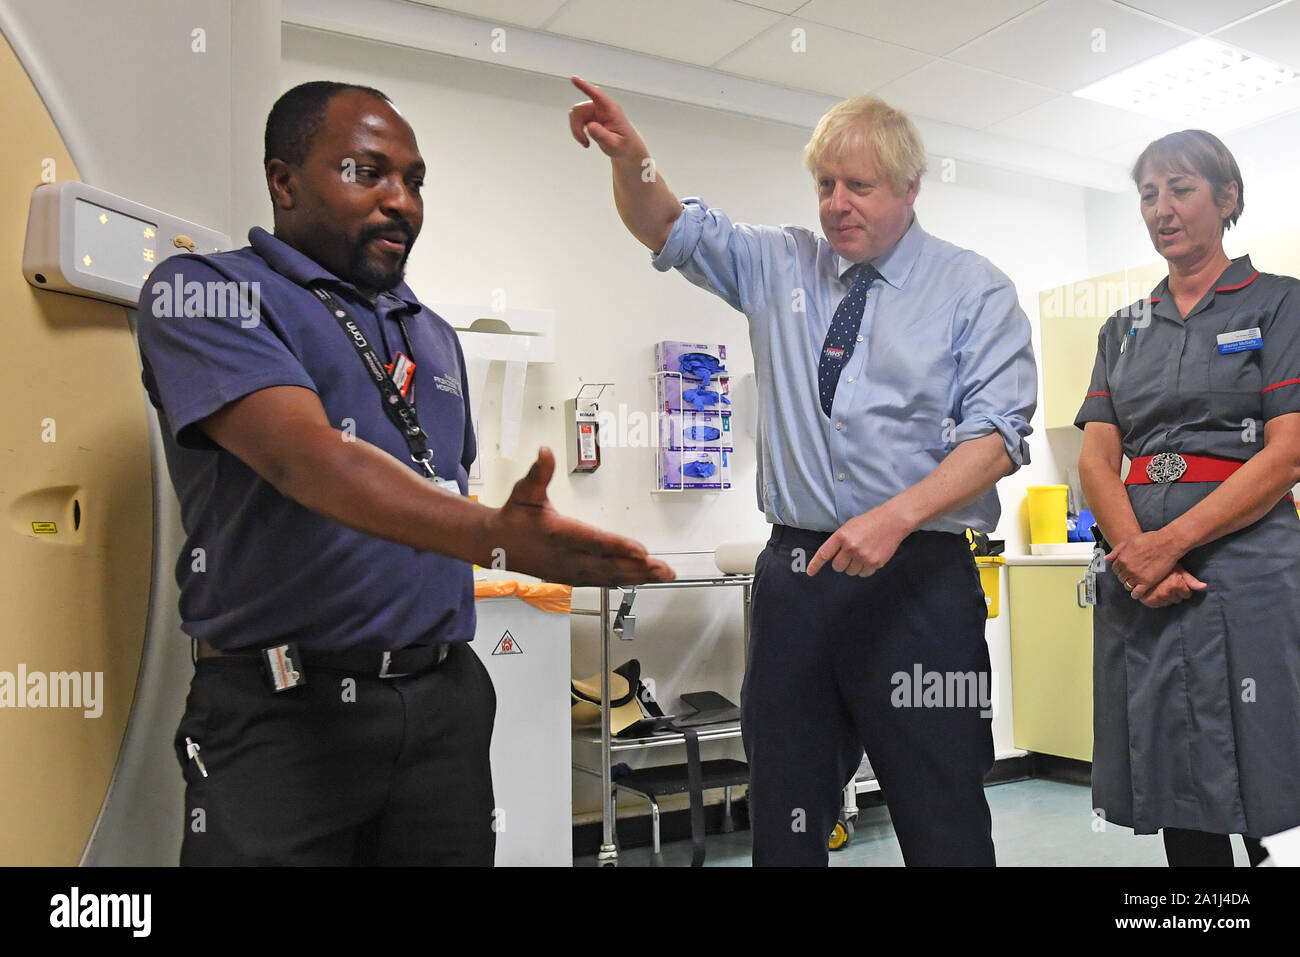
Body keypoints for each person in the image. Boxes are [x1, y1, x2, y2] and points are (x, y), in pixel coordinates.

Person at [135, 80, 673, 866]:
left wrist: (495, 534)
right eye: (368, 172)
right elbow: (308, 459)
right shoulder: (207, 292)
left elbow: (437, 492)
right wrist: (495, 535)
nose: (401, 201)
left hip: (442, 702)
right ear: (284, 180)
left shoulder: (434, 336)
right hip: (285, 712)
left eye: (414, 181)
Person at [569, 77, 1035, 866]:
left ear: (911, 187)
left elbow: (998, 437)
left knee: (941, 809)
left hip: (917, 580)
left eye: (860, 185)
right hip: (796, 578)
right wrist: (633, 159)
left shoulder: (973, 290)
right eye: (825, 184)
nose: (837, 203)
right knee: (785, 805)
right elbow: (669, 227)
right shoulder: (778, 264)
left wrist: (894, 517)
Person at [1076, 129, 1300, 867]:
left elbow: (1289, 450)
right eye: (1148, 194)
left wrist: (1167, 543)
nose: (1162, 209)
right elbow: (1097, 457)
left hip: (1247, 570)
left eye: (1181, 189)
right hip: (1141, 578)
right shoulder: (1122, 328)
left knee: (1266, 756)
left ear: (1227, 198)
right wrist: (1136, 554)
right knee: (1172, 763)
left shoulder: (1278, 305)